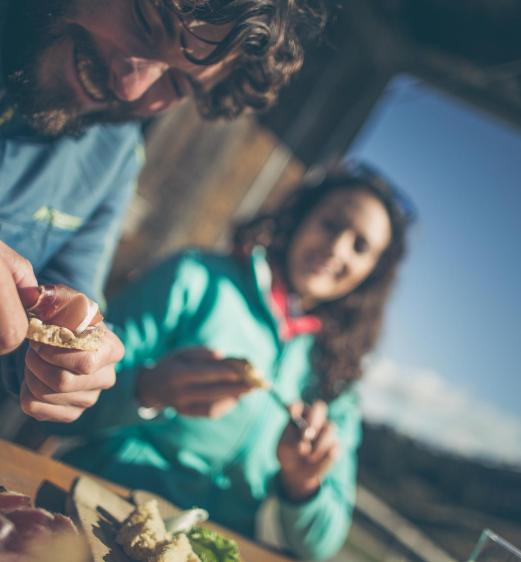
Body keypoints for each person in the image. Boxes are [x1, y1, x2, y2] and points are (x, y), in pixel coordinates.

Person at [47, 166, 414, 560]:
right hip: (98, 510)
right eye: (330, 224)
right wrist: (147, 390)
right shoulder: (193, 278)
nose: (337, 248)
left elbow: (320, 546)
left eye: (360, 246)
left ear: (372, 273)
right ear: (301, 216)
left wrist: (303, 484)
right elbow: (56, 395)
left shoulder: (337, 375)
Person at [0, 0, 327, 422]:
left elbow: (68, 320)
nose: (130, 88)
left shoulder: (114, 157)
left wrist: (78, 366)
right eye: (146, 24)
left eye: (176, 83)